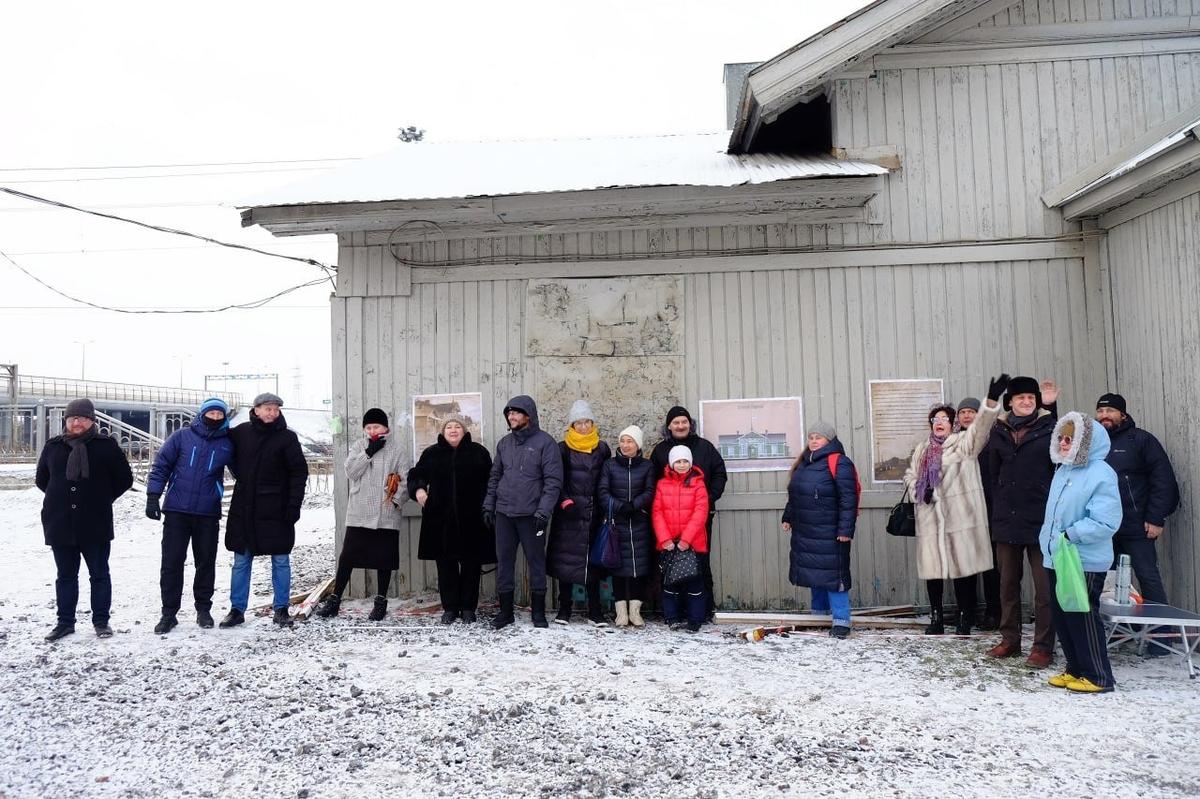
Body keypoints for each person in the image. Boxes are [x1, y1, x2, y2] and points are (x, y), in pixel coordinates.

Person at [904, 380, 1005, 637]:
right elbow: (910, 475)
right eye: (935, 419)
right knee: (933, 571)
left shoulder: (963, 445)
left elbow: (981, 428)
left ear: (953, 423)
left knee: (963, 570)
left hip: (959, 518)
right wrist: (918, 488)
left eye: (944, 418)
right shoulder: (922, 450)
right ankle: (936, 617)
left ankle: (965, 617)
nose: (939, 422)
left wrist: (991, 401)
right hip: (929, 518)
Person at [36, 398, 134, 641]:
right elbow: (42, 480)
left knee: (99, 574)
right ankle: (65, 622)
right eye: (72, 418)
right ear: (66, 421)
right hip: (60, 523)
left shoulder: (106, 446)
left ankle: (101, 621)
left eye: (81, 418)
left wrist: (101, 498)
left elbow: (124, 479)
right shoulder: (53, 447)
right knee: (65, 576)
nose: (76, 422)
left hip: (95, 523)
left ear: (92, 420)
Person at [1041, 412, 1123, 693]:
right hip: (1058, 556)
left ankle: (1098, 676)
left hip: (1083, 559)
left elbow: (1106, 521)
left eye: (1070, 439)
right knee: (1063, 616)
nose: (1064, 444)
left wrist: (1070, 535)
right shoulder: (1063, 470)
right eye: (1061, 438)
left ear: (1086, 442)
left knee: (1082, 616)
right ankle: (1075, 668)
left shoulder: (1101, 473)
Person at [983, 377, 1060, 667]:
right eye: (1020, 398)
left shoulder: (1050, 428)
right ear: (1011, 402)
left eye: (1031, 397)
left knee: (1043, 589)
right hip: (1007, 521)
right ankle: (1010, 640)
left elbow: (1062, 455)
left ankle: (1042, 646)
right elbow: (993, 477)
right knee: (1007, 586)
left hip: (1041, 521)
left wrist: (1052, 406)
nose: (1026, 402)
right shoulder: (999, 431)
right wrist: (997, 511)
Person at [1095, 393, 1180, 654]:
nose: (1105, 416)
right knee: (1110, 582)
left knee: (1147, 577)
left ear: (1123, 414)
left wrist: (1156, 518)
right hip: (1105, 528)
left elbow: (1163, 480)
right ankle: (1119, 632)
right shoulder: (1095, 443)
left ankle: (1160, 637)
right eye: (1100, 411)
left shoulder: (1141, 440)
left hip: (1137, 526)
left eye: (1110, 411)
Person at [145, 397, 235, 633]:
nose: (215, 418)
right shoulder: (181, 437)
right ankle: (169, 613)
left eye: (219, 414)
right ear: (201, 414)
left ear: (224, 417)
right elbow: (161, 465)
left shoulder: (228, 443)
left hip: (207, 513)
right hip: (177, 510)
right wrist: (153, 496)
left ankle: (203, 609)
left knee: (205, 562)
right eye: (211, 413)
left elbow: (243, 472)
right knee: (172, 562)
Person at [219, 393, 308, 629]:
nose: (272, 413)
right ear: (256, 409)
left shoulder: (287, 438)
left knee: (280, 559)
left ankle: (281, 608)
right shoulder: (241, 433)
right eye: (267, 408)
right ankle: (237, 610)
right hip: (245, 507)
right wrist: (240, 474)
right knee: (241, 560)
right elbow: (224, 450)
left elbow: (299, 473)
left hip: (277, 509)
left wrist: (293, 506)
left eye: (275, 409)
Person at [315, 408, 408, 622]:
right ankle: (335, 599)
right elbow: (351, 472)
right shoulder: (359, 446)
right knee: (348, 556)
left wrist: (395, 501)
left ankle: (380, 601)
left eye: (376, 426)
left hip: (385, 512)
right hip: (359, 511)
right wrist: (368, 453)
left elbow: (405, 478)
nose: (372, 430)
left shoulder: (397, 450)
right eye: (368, 427)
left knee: (384, 559)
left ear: (386, 427)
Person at [483, 395, 563, 630]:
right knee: (504, 562)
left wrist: (544, 511)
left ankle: (538, 612)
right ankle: (506, 612)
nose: (511, 416)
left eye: (516, 413)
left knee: (536, 562)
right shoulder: (504, 444)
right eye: (509, 413)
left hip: (532, 516)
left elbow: (553, 481)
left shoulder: (545, 443)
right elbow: (495, 476)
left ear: (529, 415)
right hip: (505, 514)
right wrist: (489, 505)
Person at [406, 415, 494, 624]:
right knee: (446, 566)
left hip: (472, 520)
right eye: (449, 427)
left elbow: (492, 479)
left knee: (471, 564)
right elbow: (416, 474)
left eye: (457, 427)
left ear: (464, 431)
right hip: (440, 519)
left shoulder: (478, 452)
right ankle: (450, 607)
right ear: (443, 431)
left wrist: (488, 506)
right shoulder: (432, 453)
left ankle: (468, 608)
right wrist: (419, 490)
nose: (453, 430)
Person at [781, 421, 860, 639]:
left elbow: (848, 499)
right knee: (815, 575)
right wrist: (788, 516)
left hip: (830, 531)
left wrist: (846, 529)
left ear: (830, 440)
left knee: (835, 576)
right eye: (811, 437)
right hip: (806, 529)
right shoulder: (804, 463)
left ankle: (841, 621)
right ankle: (818, 616)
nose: (814, 441)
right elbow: (796, 493)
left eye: (819, 437)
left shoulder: (840, 463)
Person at [650, 406, 727, 620]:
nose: (680, 426)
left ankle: (701, 611)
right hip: (669, 522)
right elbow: (653, 482)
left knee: (700, 564)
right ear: (669, 426)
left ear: (690, 424)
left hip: (698, 521)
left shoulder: (705, 447)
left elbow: (720, 473)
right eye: (676, 422)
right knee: (671, 566)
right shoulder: (660, 451)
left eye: (684, 422)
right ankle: (673, 611)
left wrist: (708, 499)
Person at [548, 400, 612, 627]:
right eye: (579, 423)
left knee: (593, 563)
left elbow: (607, 479)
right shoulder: (561, 448)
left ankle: (595, 611)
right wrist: (565, 501)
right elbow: (555, 479)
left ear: (592, 423)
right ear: (571, 425)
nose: (583, 427)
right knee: (567, 563)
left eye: (587, 422)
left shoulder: (602, 448)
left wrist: (604, 504)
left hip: (595, 514)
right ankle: (564, 609)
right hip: (569, 515)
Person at [596, 425, 657, 628]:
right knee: (619, 567)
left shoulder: (647, 466)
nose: (625, 445)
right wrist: (620, 507)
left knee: (639, 568)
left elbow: (650, 490)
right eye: (622, 441)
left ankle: (635, 612)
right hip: (617, 524)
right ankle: (621, 612)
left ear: (637, 444)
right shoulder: (610, 465)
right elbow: (603, 491)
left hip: (640, 522)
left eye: (629, 441)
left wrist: (635, 505)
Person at [653, 445, 710, 633]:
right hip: (669, 544)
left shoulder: (698, 483)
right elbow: (657, 512)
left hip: (692, 543)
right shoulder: (662, 484)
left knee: (694, 584)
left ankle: (695, 619)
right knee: (670, 583)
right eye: (678, 461)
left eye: (685, 461)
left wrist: (686, 539)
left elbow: (700, 512)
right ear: (671, 463)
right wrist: (665, 539)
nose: (682, 464)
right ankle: (672, 617)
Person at [957, 396, 1001, 631]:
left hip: (989, 511)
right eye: (962, 412)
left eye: (971, 411)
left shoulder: (991, 439)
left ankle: (994, 612)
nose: (966, 415)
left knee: (992, 567)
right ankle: (967, 612)